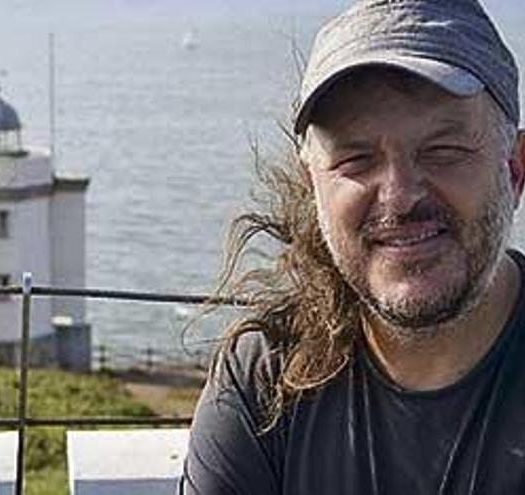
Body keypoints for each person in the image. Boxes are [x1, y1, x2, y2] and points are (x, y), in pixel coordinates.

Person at [181, 0, 525, 493]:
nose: (400, 195)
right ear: (314, 187)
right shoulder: (265, 379)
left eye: (443, 151)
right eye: (356, 160)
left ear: (514, 169)